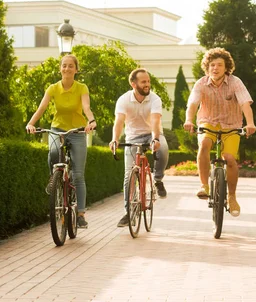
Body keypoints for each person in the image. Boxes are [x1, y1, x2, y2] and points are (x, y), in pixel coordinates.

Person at [183, 47, 256, 217]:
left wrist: (250, 123)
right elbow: (193, 104)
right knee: (204, 145)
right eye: (212, 65)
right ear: (207, 67)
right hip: (208, 122)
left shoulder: (235, 82)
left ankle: (232, 197)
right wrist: (189, 120)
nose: (215, 68)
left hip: (231, 125)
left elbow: (245, 103)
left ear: (226, 67)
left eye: (219, 65)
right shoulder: (201, 83)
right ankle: (204, 185)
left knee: (229, 158)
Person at [26, 54, 97, 229]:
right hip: (58, 129)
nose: (67, 69)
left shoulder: (81, 88)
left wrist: (91, 121)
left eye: (70, 66)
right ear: (60, 68)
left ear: (76, 69)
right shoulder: (53, 88)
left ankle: (80, 214)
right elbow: (42, 108)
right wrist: (31, 123)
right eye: (64, 65)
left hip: (77, 131)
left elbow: (86, 107)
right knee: (53, 152)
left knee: (78, 174)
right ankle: (54, 178)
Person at [109, 68, 169, 228]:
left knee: (162, 149)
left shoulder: (155, 99)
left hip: (151, 134)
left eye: (148, 81)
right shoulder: (123, 100)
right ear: (133, 83)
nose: (147, 84)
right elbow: (119, 121)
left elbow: (155, 121)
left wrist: (155, 138)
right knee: (129, 175)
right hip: (133, 137)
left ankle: (158, 179)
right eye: (144, 82)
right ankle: (129, 213)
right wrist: (115, 139)